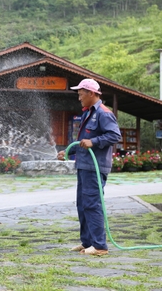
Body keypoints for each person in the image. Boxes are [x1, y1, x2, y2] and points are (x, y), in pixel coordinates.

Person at [57, 79, 121, 256]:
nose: (79, 98)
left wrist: (94, 141)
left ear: (91, 93)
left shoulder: (103, 113)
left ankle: (100, 246)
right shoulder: (87, 114)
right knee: (83, 205)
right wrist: (68, 153)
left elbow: (114, 135)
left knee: (93, 204)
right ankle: (87, 243)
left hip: (95, 167)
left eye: (81, 94)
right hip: (84, 166)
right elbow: (83, 143)